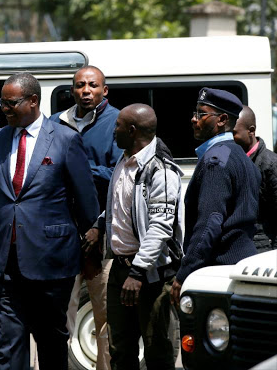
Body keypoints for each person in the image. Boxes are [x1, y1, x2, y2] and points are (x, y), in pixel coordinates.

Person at [0, 73, 99, 370]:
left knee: (51, 343)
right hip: (6, 263)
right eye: (2, 102)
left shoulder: (65, 139)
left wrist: (92, 250)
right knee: (8, 347)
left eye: (11, 103)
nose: (4, 109)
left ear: (33, 101)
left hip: (51, 263)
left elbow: (87, 202)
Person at [90, 103, 183, 370]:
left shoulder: (161, 170)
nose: (113, 131)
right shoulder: (125, 160)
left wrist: (138, 273)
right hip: (121, 270)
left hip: (148, 275)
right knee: (120, 350)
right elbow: (121, 204)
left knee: (156, 351)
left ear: (132, 131)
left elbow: (160, 227)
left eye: (117, 126)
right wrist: (100, 225)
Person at [50, 65, 121, 370]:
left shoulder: (118, 121)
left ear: (104, 90)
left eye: (93, 85)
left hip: (100, 236)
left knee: (106, 319)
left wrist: (79, 168)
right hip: (62, 237)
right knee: (56, 319)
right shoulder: (57, 123)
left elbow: (118, 177)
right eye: (80, 85)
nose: (86, 90)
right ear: (72, 90)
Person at [171, 88, 260, 305]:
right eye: (195, 113)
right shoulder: (239, 155)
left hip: (220, 271)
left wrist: (185, 272)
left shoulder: (216, 160)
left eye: (202, 114)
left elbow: (209, 223)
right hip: (240, 264)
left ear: (221, 119)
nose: (194, 119)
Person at [233, 105, 277, 253]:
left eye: (234, 133)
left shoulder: (270, 164)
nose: (230, 139)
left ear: (251, 131)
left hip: (263, 249)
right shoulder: (231, 160)